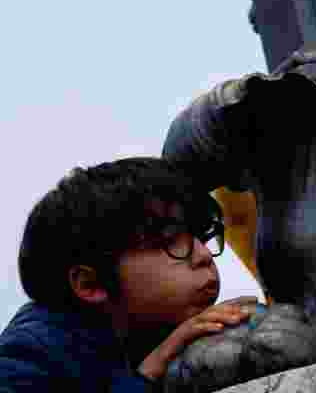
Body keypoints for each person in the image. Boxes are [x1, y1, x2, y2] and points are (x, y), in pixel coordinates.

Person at [0, 158, 259, 392]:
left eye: (200, 238)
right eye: (170, 241)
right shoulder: (34, 353)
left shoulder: (162, 335)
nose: (203, 256)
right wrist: (148, 375)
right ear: (91, 284)